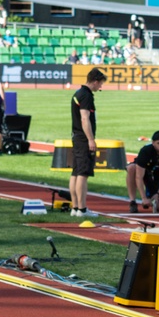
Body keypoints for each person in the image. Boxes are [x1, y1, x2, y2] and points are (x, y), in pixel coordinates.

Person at [70, 67, 108, 217]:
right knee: (83, 173)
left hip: (77, 137)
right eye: (100, 84)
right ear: (95, 81)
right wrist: (91, 139)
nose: (100, 87)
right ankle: (82, 209)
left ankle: (75, 208)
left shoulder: (78, 93)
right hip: (83, 138)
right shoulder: (86, 95)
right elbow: (84, 118)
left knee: (76, 172)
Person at [126, 131, 159, 214]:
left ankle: (152, 196)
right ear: (153, 143)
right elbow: (139, 177)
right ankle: (133, 202)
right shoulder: (146, 151)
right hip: (144, 171)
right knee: (131, 168)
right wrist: (143, 198)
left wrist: (157, 194)